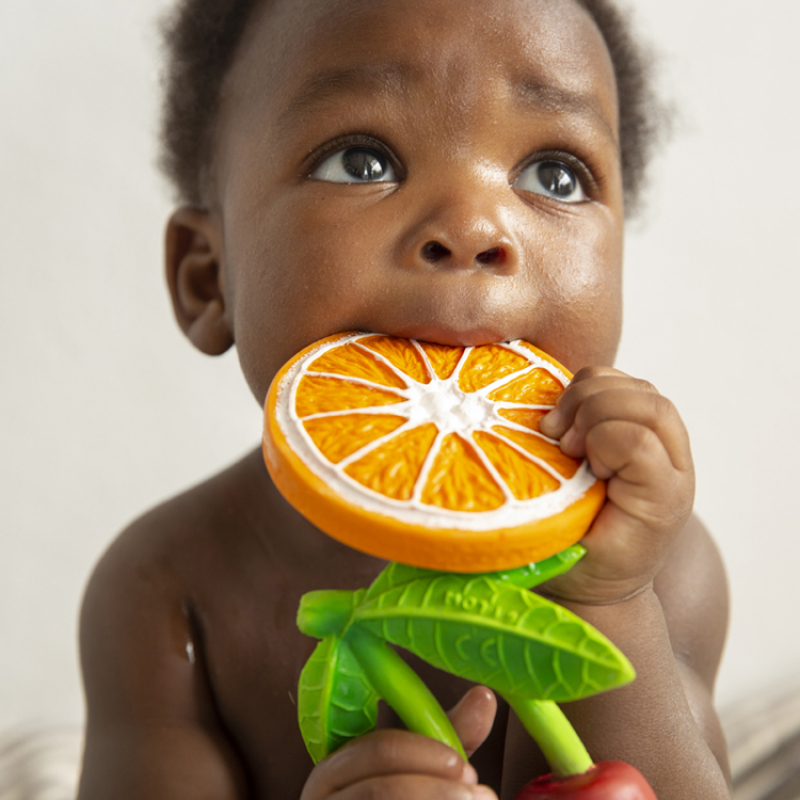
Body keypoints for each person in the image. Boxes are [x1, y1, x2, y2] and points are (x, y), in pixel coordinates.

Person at [76, 0, 731, 797]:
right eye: (361, 160)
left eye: (553, 174)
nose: (472, 225)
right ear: (209, 279)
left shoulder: (665, 566)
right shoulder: (165, 590)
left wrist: (609, 604)